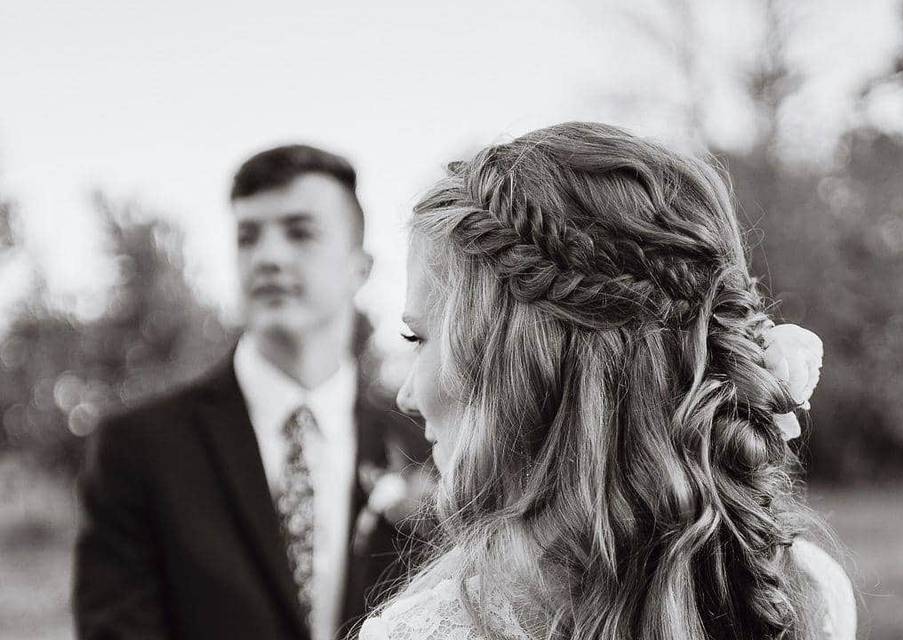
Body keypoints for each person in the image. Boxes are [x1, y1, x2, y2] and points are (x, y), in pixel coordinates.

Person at [360, 122, 856, 640]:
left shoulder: (431, 630)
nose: (407, 395)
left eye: (417, 338)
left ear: (520, 368)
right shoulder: (806, 592)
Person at [73, 144, 427, 640]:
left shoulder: (424, 447)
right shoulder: (137, 448)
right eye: (248, 236)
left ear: (359, 268)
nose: (268, 256)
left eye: (300, 232)